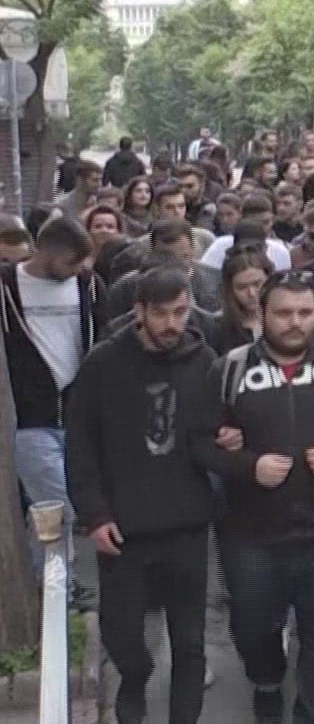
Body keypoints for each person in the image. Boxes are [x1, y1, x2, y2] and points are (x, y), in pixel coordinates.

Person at [212, 269, 314, 724]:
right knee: (252, 627)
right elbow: (199, 443)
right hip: (251, 533)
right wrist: (247, 465)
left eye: (305, 312)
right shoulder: (230, 368)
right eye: (284, 313)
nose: (295, 322)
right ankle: (267, 681)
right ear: (262, 313)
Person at [64, 265, 222, 724]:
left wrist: (227, 440)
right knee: (124, 640)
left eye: (180, 312)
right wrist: (95, 514)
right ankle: (134, 681)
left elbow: (213, 429)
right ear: (139, 311)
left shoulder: (204, 360)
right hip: (124, 529)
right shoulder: (103, 363)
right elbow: (80, 442)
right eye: (161, 313)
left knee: (190, 644)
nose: (172, 324)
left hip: (187, 525)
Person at [2, 216, 104, 593]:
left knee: (63, 506)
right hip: (30, 418)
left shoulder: (87, 285)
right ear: (45, 252)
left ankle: (54, 587)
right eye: (70, 262)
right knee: (56, 506)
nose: (76, 269)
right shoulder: (7, 286)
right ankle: (59, 590)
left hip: (78, 416)